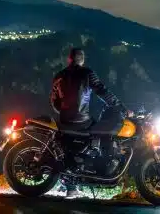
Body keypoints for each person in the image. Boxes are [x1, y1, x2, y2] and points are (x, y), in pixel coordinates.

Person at [50, 47, 129, 198]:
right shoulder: (87, 73)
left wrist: (66, 113)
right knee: (104, 133)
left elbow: (54, 101)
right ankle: (100, 170)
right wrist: (121, 107)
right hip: (82, 120)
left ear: (69, 59)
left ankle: (72, 186)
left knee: (73, 147)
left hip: (65, 120)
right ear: (82, 59)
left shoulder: (59, 76)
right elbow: (102, 91)